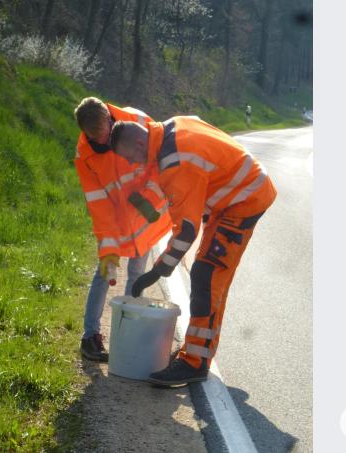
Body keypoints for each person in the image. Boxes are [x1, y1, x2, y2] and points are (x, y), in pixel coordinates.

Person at [108, 116, 277, 386]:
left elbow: (186, 230)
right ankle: (199, 352)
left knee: (206, 276)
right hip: (232, 197)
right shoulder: (171, 127)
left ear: (140, 142)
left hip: (244, 199)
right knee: (209, 275)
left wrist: (159, 269)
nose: (132, 163)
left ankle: (195, 362)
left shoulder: (175, 163)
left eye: (130, 157)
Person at [73, 97, 172, 362]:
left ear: (109, 116)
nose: (102, 142)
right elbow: (98, 203)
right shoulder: (85, 156)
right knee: (104, 273)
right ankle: (90, 337)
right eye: (94, 137)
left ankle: (128, 334)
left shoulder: (137, 121)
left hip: (144, 214)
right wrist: (108, 246)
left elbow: (159, 156)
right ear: (84, 131)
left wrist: (148, 200)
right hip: (116, 221)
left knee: (137, 273)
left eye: (104, 134)